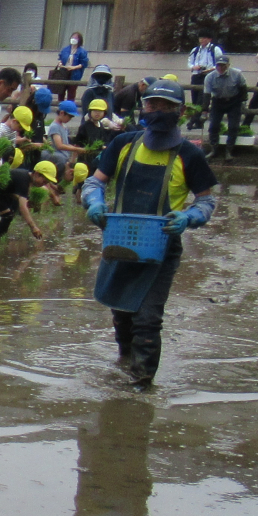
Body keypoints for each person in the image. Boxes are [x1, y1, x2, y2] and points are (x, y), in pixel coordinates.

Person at [80, 78, 219, 386]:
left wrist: (189, 217)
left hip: (161, 248)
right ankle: (124, 362)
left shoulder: (189, 155)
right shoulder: (124, 144)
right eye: (152, 105)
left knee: (148, 317)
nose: (157, 111)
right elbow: (95, 181)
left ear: (180, 112)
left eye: (165, 107)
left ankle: (141, 385)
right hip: (121, 241)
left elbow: (207, 201)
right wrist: (94, 201)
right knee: (122, 311)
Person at [200, 54, 250, 158]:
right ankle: (214, 148)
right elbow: (206, 95)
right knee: (213, 126)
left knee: (233, 126)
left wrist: (243, 103)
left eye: (223, 65)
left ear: (228, 65)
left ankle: (229, 150)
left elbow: (243, 90)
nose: (221, 68)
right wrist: (204, 111)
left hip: (234, 101)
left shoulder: (237, 74)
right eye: (218, 65)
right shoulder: (210, 77)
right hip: (218, 101)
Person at [185, 32, 224, 118]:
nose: (202, 40)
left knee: (202, 98)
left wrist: (211, 69)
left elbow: (220, 63)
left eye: (204, 38)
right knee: (194, 98)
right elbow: (189, 63)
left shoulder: (215, 49)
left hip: (208, 75)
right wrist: (194, 67)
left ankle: (197, 119)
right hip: (196, 75)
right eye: (200, 38)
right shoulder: (195, 50)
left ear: (210, 39)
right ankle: (196, 117)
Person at [45, 100, 84, 177]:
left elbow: (65, 143)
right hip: (57, 156)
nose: (70, 119)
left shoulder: (64, 126)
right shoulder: (55, 127)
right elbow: (59, 145)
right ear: (62, 113)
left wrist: (74, 147)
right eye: (69, 116)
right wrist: (75, 149)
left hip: (64, 155)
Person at [54, 31, 90, 103]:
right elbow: (60, 58)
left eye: (76, 38)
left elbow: (84, 63)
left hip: (75, 74)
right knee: (61, 91)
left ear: (79, 40)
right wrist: (60, 63)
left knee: (71, 92)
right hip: (63, 72)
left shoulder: (82, 51)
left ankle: (69, 109)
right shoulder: (65, 49)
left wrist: (73, 67)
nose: (73, 39)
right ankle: (61, 107)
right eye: (72, 37)